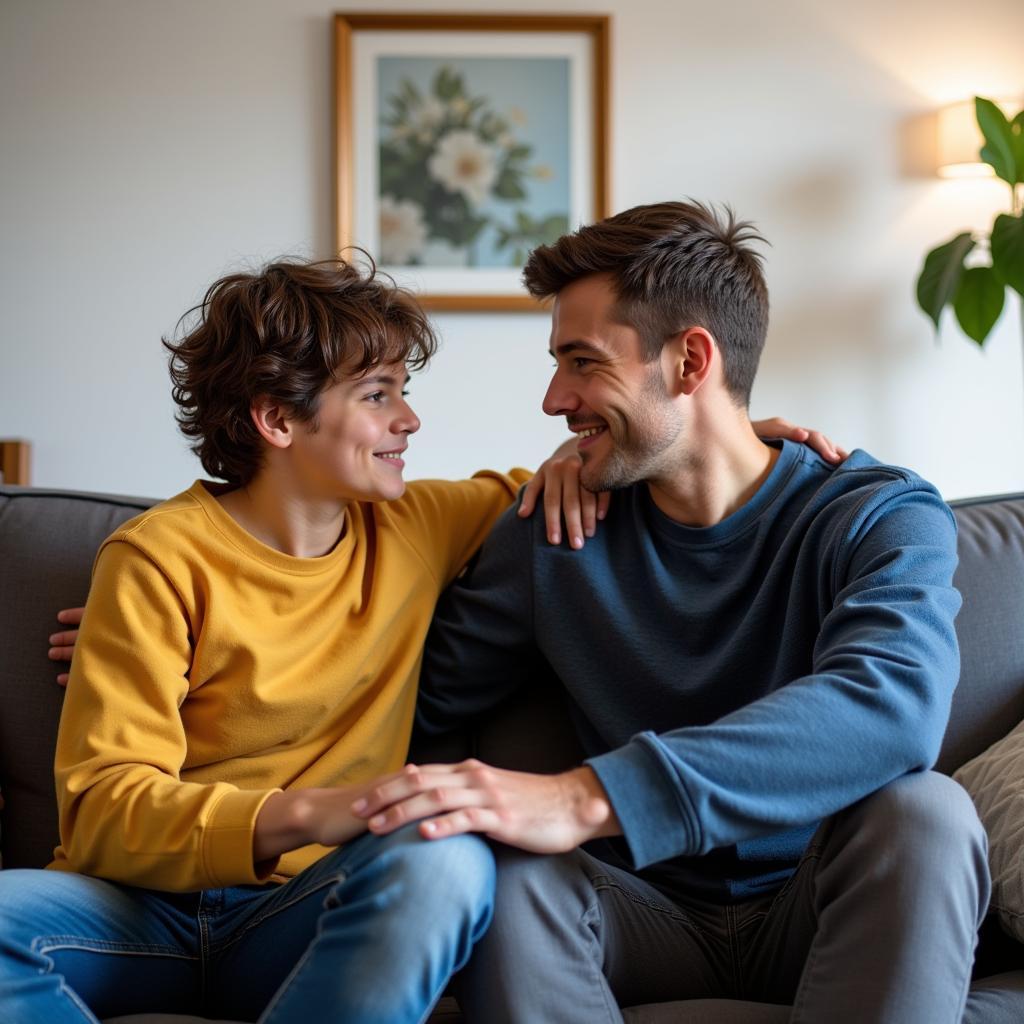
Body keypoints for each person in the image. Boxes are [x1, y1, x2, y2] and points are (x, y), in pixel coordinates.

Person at [19, 254, 832, 1023]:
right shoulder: (159, 556)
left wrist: (730, 431)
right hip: (137, 910)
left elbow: (625, 458)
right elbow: (101, 811)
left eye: (403, 390)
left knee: (447, 860)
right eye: (377, 395)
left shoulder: (420, 524)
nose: (409, 418)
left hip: (312, 912)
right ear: (275, 419)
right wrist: (315, 812)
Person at [347, 202, 990, 1023]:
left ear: (691, 362)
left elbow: (892, 709)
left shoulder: (876, 515)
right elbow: (411, 704)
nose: (553, 399)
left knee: (926, 814)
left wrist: (585, 797)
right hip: (631, 914)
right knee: (502, 861)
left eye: (582, 363)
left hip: (820, 902)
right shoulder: (555, 530)